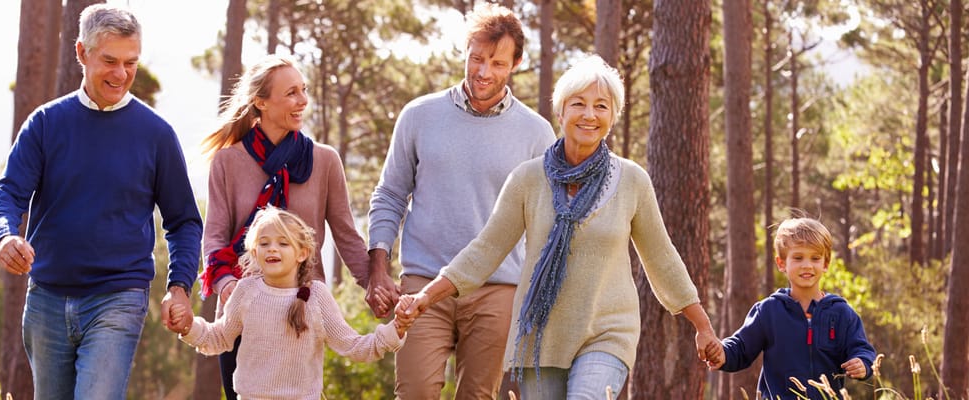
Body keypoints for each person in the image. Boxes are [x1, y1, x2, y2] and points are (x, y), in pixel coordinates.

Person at [395, 54, 723, 399]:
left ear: (613, 117)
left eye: (601, 106)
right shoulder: (528, 178)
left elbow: (662, 259)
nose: (589, 115)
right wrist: (425, 296)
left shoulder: (632, 181)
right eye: (578, 104)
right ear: (561, 111)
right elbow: (485, 250)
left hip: (607, 332)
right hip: (542, 337)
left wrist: (702, 326)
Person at [0, 4, 202, 399]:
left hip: (119, 297)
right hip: (47, 299)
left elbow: (184, 221)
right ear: (82, 53)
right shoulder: (46, 123)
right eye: (109, 61)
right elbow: (8, 193)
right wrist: (3, 237)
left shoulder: (156, 135)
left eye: (131, 63)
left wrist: (180, 286)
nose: (121, 74)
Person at [367, 2, 556, 398]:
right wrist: (378, 267)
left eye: (498, 63)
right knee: (414, 392)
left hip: (498, 289)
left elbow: (547, 223)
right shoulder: (419, 115)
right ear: (466, 52)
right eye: (477, 59)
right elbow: (389, 194)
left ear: (516, 63)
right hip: (422, 283)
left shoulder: (537, 134)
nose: (484, 72)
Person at [197, 53, 397, 399]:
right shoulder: (228, 162)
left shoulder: (324, 160)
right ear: (261, 102)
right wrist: (227, 284)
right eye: (291, 93)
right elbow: (214, 236)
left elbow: (347, 235)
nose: (303, 100)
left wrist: (375, 287)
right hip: (243, 311)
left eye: (303, 90)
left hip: (300, 311)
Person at [170, 206, 406, 400]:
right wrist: (189, 326)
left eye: (283, 243)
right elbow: (219, 338)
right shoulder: (246, 291)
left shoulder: (316, 297)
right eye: (264, 243)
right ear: (254, 251)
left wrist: (395, 330)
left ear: (302, 253)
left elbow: (354, 346)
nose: (272, 248)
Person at [718, 217, 876, 399]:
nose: (807, 265)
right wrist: (721, 354)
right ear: (781, 263)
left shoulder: (841, 313)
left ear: (825, 263)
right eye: (798, 258)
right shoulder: (769, 311)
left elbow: (862, 349)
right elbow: (740, 348)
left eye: (815, 258)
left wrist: (863, 364)